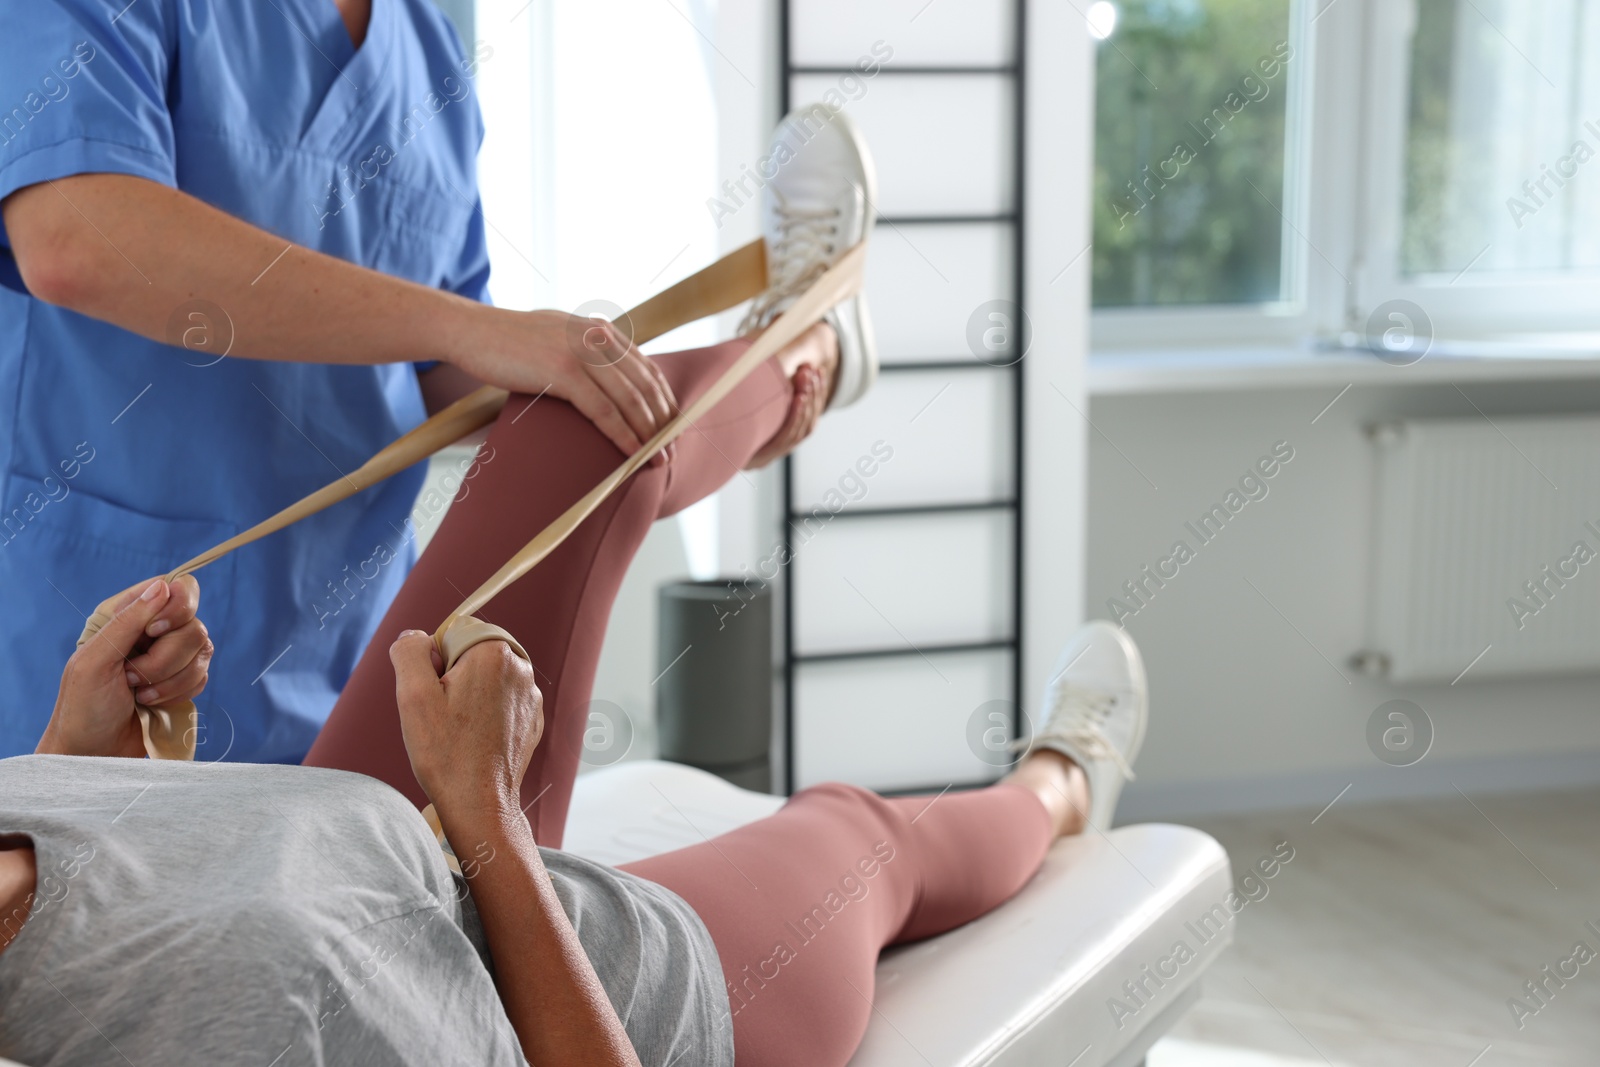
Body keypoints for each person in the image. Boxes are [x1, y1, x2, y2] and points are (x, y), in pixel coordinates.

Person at [0, 318, 1148, 1064]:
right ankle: (1060, 779)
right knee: (854, 832)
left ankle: (806, 353)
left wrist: (85, 765)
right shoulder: (223, 1022)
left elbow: (129, 909)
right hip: (586, 972)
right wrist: (491, 819)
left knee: (565, 424)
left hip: (367, 851)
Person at [0, 0, 700, 763]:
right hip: (92, 637)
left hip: (352, 661)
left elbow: (438, 373)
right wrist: (471, 328)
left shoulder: (428, 50)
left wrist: (626, 383)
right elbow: (76, 236)